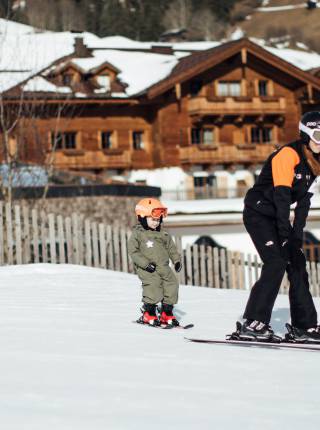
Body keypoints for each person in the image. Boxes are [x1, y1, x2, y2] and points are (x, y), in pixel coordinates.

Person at [233, 111, 320, 343]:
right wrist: (284, 235)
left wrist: (296, 238)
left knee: (297, 262)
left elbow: (303, 204)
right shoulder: (288, 155)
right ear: (305, 135)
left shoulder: (316, 163)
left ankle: (305, 326)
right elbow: (282, 198)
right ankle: (253, 322)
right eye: (318, 136)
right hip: (259, 213)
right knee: (276, 261)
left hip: (277, 216)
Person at [128, 198, 182, 326]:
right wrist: (145, 264)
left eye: (158, 220)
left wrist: (176, 261)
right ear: (142, 218)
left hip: (163, 266)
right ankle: (149, 313)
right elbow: (133, 252)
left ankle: (166, 313)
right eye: (153, 219)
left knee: (172, 284)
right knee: (153, 285)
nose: (156, 223)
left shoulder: (163, 235)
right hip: (147, 268)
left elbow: (171, 248)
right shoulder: (138, 234)